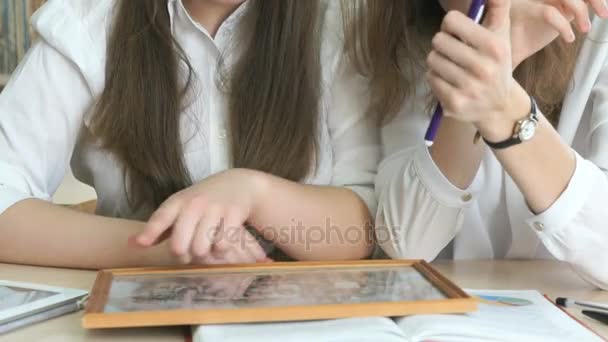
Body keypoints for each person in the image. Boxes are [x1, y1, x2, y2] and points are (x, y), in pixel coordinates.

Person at [0, 0, 379, 269]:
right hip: (139, 315)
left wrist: (254, 193)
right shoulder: (86, 22)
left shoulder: (339, 23)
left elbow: (371, 223)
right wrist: (161, 249)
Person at [346, 0, 608, 289]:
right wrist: (486, 69)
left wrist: (505, 109)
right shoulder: (382, 30)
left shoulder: (600, 26)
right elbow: (407, 242)